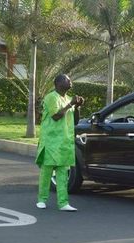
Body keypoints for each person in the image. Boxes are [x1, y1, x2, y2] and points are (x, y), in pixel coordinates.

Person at [35, 74, 84, 211]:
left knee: (63, 174)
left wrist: (77, 107)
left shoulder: (68, 99)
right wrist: (71, 104)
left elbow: (75, 121)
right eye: (67, 79)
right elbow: (56, 116)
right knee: (47, 171)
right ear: (58, 83)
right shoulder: (51, 97)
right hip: (51, 141)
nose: (70, 81)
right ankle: (41, 199)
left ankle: (63, 203)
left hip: (65, 142)